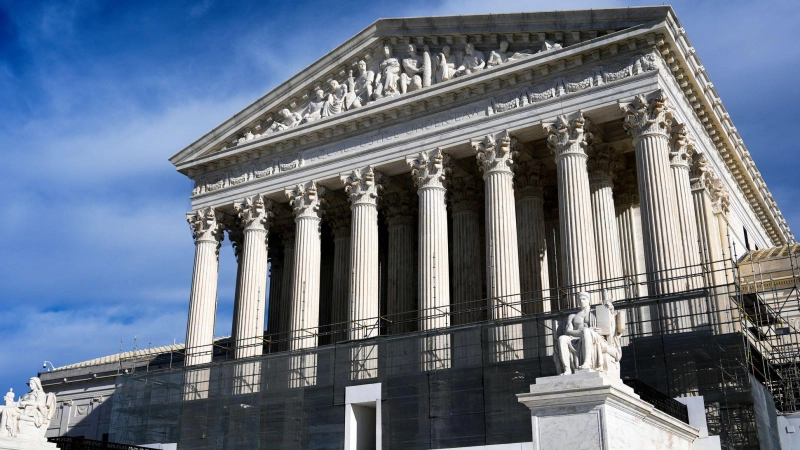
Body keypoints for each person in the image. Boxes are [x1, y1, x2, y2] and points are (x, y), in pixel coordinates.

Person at [554, 291, 623, 377]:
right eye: (579, 300)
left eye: (584, 299)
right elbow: (568, 331)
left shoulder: (596, 312)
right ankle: (567, 369)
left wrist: (610, 310)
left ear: (588, 300)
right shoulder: (572, 316)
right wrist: (581, 332)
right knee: (562, 339)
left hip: (595, 337)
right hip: (576, 338)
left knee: (586, 331)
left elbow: (610, 325)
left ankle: (587, 363)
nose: (581, 301)